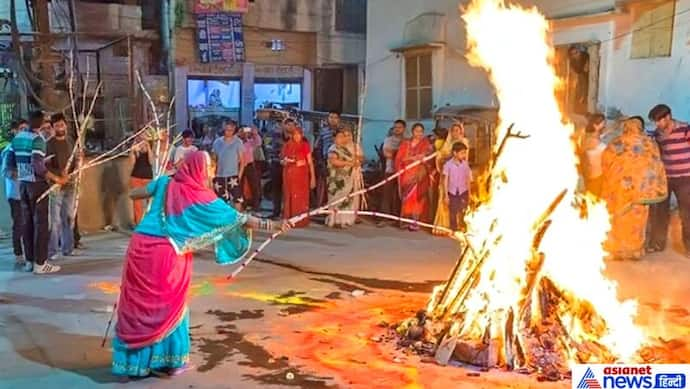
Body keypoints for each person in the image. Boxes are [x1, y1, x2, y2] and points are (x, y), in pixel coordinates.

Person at [112, 151, 291, 379]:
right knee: (169, 305)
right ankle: (167, 361)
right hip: (167, 253)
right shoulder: (200, 196)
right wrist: (274, 226)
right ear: (198, 170)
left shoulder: (166, 182)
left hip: (139, 248)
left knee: (138, 305)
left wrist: (160, 186)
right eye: (208, 168)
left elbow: (135, 194)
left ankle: (134, 363)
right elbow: (239, 219)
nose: (210, 173)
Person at [601, 117, 667, 260]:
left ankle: (616, 251)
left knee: (618, 220)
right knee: (636, 223)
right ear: (641, 127)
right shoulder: (649, 143)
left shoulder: (617, 142)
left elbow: (605, 161)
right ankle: (634, 251)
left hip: (620, 191)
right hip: (641, 191)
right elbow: (656, 163)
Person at [8, 111, 66, 274]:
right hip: (38, 186)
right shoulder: (38, 140)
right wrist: (56, 179)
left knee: (27, 224)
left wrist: (22, 172)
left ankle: (29, 261)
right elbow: (38, 166)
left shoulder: (17, 138)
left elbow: (11, 162)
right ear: (41, 124)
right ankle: (40, 263)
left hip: (23, 185)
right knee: (41, 224)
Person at [647, 104, 690, 256]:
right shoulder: (657, 134)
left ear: (668, 117)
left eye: (659, 120)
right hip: (666, 178)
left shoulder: (685, 129)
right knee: (660, 212)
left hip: (685, 178)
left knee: (687, 213)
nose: (657, 124)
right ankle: (657, 244)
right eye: (655, 122)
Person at [46, 113, 79, 260]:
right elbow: (45, 167)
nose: (60, 127)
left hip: (71, 184)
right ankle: (52, 251)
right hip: (56, 186)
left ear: (66, 125)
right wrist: (58, 178)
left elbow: (76, 158)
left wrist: (77, 168)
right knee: (55, 221)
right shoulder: (49, 144)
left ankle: (68, 248)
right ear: (53, 128)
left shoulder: (71, 141)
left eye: (62, 124)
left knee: (69, 216)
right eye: (57, 125)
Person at [395, 123, 434, 231]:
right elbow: (399, 159)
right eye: (417, 131)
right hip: (407, 174)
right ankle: (406, 221)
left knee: (418, 199)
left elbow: (430, 160)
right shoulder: (405, 144)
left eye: (421, 131)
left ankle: (416, 221)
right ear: (412, 132)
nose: (419, 134)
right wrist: (412, 158)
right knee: (407, 199)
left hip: (419, 175)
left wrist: (423, 159)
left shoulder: (426, 145)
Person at [433, 123, 470, 235]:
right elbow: (440, 157)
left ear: (461, 131)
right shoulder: (447, 143)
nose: (455, 132)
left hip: (458, 175)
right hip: (446, 175)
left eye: (457, 130)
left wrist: (450, 158)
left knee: (458, 201)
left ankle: (458, 226)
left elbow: (463, 159)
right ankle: (444, 226)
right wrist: (441, 157)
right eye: (453, 130)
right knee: (445, 198)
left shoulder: (464, 143)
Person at [326, 128, 361, 228]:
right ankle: (334, 220)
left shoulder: (344, 149)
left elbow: (353, 159)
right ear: (334, 138)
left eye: (343, 137)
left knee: (346, 199)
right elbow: (334, 162)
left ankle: (344, 220)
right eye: (339, 137)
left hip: (347, 178)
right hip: (336, 179)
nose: (342, 139)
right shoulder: (333, 149)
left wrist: (355, 162)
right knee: (336, 199)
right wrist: (348, 163)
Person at [2, 120, 26, 264]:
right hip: (15, 194)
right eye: (21, 129)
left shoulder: (28, 148)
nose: (24, 132)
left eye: (26, 129)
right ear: (14, 131)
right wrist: (23, 172)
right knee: (18, 224)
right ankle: (18, 253)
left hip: (27, 191)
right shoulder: (9, 150)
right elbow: (6, 172)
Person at [281, 127, 315, 227]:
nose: (296, 136)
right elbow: (282, 160)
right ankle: (289, 218)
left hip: (302, 176)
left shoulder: (305, 145)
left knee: (301, 197)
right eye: (294, 134)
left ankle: (300, 220)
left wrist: (313, 177)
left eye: (298, 134)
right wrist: (285, 161)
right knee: (289, 196)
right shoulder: (287, 146)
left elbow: (310, 162)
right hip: (289, 174)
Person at [377, 120, 406, 227]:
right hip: (390, 170)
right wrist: (400, 154)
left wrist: (396, 153)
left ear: (404, 129)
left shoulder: (406, 141)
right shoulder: (388, 140)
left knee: (401, 196)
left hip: (403, 172)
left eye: (400, 127)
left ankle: (400, 219)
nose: (397, 129)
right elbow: (387, 154)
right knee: (386, 195)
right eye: (395, 127)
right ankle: (384, 218)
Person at [212, 121, 245, 209]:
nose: (228, 132)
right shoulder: (217, 142)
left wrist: (239, 176)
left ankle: (238, 220)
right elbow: (214, 160)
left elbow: (242, 161)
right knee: (220, 200)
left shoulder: (238, 142)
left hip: (233, 175)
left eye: (231, 130)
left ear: (234, 130)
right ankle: (223, 220)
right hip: (220, 175)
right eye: (227, 130)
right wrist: (212, 174)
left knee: (237, 199)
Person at [443, 142, 472, 232]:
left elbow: (467, 179)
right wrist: (446, 195)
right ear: (455, 153)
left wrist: (469, 193)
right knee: (453, 210)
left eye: (464, 153)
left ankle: (463, 227)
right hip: (452, 192)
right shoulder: (448, 165)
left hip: (463, 191)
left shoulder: (465, 164)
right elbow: (445, 180)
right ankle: (454, 228)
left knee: (463, 209)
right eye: (462, 153)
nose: (464, 155)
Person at [314, 111, 340, 207]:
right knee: (323, 188)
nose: (332, 120)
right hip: (325, 162)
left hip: (339, 164)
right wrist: (321, 163)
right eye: (331, 117)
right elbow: (317, 148)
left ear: (338, 120)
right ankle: (321, 211)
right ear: (328, 119)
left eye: (335, 117)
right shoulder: (323, 131)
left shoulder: (343, 132)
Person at [267, 120, 290, 219]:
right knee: (276, 189)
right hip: (276, 165)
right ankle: (276, 211)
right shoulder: (275, 136)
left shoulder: (294, 138)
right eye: (285, 124)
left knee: (288, 189)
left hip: (289, 166)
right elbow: (270, 150)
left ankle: (287, 212)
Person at [129, 135, 153, 226]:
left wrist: (148, 147)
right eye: (140, 139)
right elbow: (132, 164)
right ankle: (138, 224)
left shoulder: (149, 149)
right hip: (136, 177)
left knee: (149, 201)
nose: (141, 142)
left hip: (147, 177)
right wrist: (132, 151)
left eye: (143, 139)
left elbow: (151, 162)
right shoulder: (136, 150)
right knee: (137, 203)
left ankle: (149, 223)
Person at [580, 114, 606, 197]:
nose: (605, 125)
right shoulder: (590, 140)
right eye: (603, 123)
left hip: (599, 176)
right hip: (595, 176)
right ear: (595, 125)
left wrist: (617, 123)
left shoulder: (594, 137)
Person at [239, 125, 263, 211]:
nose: (244, 133)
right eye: (242, 131)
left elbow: (259, 142)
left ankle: (256, 205)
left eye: (245, 131)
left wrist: (255, 133)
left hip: (249, 165)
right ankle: (242, 204)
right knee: (239, 186)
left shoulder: (250, 142)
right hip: (239, 165)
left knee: (254, 185)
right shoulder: (236, 142)